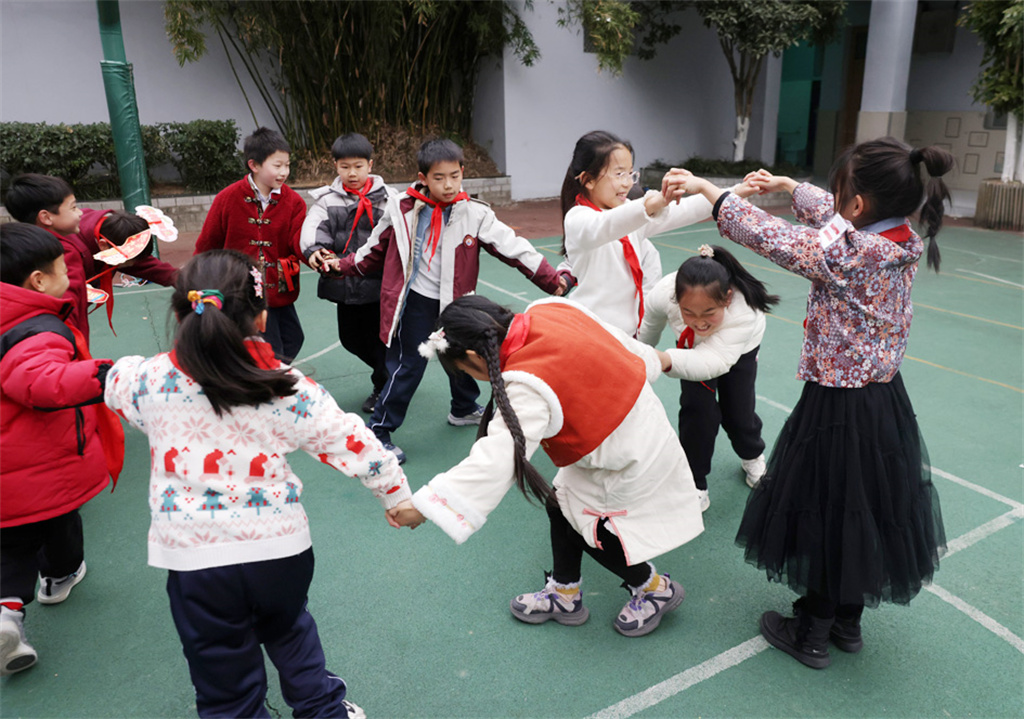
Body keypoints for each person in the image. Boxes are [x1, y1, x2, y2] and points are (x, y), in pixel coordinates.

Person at [675, 136, 949, 669]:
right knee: (866, 509)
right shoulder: (900, 235)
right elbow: (838, 214)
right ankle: (847, 621)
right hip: (884, 401)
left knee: (830, 511)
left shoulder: (846, 253)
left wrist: (714, 193)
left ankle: (812, 631)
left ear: (858, 204)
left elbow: (779, 239)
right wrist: (789, 186)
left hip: (838, 406)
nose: (837, 199)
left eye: (841, 190)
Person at [104, 250, 409, 718]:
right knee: (289, 629)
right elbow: (351, 439)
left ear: (181, 313)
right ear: (262, 317)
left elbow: (114, 382)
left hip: (195, 560)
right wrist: (395, 495)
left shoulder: (148, 379)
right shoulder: (283, 385)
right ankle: (324, 711)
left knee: (219, 665)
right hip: (278, 550)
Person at [387, 295, 705, 637]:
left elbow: (498, 457)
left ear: (473, 357)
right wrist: (653, 364)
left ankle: (655, 588)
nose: (468, 375)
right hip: (628, 426)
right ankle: (565, 591)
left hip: (623, 454)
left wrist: (424, 508)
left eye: (464, 370)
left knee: (591, 528)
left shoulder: (527, 383)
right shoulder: (550, 309)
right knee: (561, 504)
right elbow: (618, 341)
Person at [324, 138, 566, 464]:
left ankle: (463, 407)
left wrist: (552, 280)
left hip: (456, 301)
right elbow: (373, 250)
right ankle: (378, 433)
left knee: (467, 350)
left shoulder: (475, 212)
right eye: (439, 178)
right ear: (423, 177)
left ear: (463, 172)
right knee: (409, 366)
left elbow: (513, 247)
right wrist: (342, 264)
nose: (448, 184)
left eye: (454, 175)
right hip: (417, 303)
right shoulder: (401, 208)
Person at [0, 224, 122, 676]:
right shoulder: (34, 329)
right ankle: (59, 577)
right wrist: (106, 375)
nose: (69, 275)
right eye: (61, 269)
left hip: (8, 475)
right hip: (41, 466)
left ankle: (6, 614)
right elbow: (41, 381)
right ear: (37, 280)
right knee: (59, 526)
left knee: (10, 549)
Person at [556, 130, 756, 336]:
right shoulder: (578, 219)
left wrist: (737, 192)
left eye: (630, 173)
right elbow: (608, 224)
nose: (627, 183)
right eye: (618, 174)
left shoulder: (629, 213)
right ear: (588, 180)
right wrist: (657, 201)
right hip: (590, 333)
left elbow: (685, 210)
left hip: (627, 335)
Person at [640, 243, 779, 511]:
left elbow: (713, 362)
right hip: (691, 350)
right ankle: (695, 482)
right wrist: (638, 358)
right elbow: (648, 329)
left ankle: (751, 453)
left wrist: (663, 360)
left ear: (727, 299)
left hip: (737, 351)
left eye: (708, 313)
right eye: (688, 312)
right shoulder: (663, 294)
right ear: (676, 300)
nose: (699, 322)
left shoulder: (743, 313)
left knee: (738, 411)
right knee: (696, 412)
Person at [4, 174, 178, 345]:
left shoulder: (86, 229)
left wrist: (183, 278)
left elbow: (138, 262)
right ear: (46, 217)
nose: (79, 212)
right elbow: (69, 307)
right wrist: (74, 350)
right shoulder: (62, 253)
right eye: (72, 208)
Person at [301, 133, 397, 414]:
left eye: (358, 166)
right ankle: (390, 373)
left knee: (381, 338)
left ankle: (383, 385)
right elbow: (312, 231)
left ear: (370, 164)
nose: (352, 173)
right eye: (345, 167)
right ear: (335, 166)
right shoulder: (328, 201)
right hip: (346, 284)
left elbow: (404, 234)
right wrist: (316, 251)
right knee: (350, 339)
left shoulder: (389, 199)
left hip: (382, 285)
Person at [194, 127, 308, 362]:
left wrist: (318, 255)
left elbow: (300, 241)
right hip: (240, 290)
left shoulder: (294, 202)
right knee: (269, 347)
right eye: (277, 166)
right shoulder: (227, 198)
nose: (284, 172)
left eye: (287, 165)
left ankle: (262, 378)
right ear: (254, 165)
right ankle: (266, 386)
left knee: (293, 339)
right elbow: (208, 243)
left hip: (277, 289)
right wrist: (197, 279)